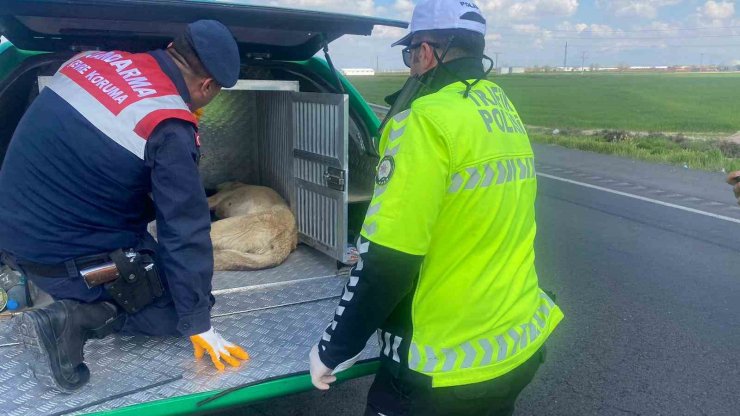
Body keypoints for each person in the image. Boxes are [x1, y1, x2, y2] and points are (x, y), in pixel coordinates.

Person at [308, 1, 564, 414]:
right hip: (513, 347)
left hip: (442, 371)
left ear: (427, 52)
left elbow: (387, 259)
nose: (411, 64)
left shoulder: (425, 121)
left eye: (410, 54)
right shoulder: (499, 106)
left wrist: (336, 345)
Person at [0, 20, 248, 392]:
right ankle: (74, 319)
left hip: (16, 231)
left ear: (171, 47)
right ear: (207, 86)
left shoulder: (91, 63)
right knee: (177, 310)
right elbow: (184, 231)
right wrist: (199, 323)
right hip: (61, 258)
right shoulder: (169, 126)